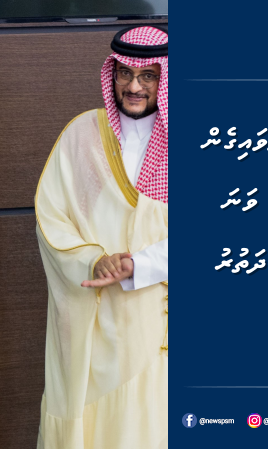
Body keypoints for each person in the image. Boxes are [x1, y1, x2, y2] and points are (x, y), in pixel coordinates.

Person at [35, 26, 168, 449]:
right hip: (90, 317)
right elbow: (52, 216)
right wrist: (93, 258)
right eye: (125, 73)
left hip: (154, 315)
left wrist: (138, 265)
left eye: (147, 76)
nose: (134, 87)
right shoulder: (82, 134)